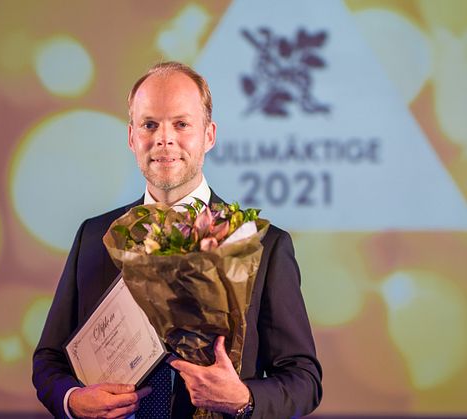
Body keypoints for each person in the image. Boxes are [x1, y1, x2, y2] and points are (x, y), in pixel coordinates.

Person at [32, 61, 322, 419]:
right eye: (149, 124)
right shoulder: (94, 237)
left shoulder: (263, 245)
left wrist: (243, 398)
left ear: (209, 135)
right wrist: (72, 400)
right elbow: (49, 361)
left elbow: (304, 380)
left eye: (181, 124)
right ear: (131, 136)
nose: (163, 139)